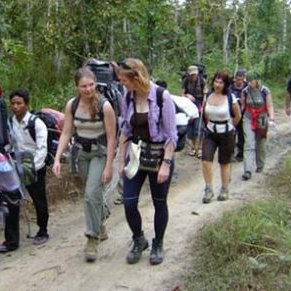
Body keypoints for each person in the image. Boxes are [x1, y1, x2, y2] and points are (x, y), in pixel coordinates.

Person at [115, 58, 177, 265]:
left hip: (159, 155)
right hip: (136, 154)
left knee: (159, 203)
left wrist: (166, 164)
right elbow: (125, 130)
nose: (122, 83)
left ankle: (158, 242)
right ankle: (138, 238)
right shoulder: (127, 97)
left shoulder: (161, 97)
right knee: (129, 201)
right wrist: (121, 161)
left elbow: (171, 135)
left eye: (124, 79)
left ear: (136, 77)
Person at [52, 67, 117, 263]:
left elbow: (112, 138)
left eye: (91, 85)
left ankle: (92, 239)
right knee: (91, 196)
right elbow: (66, 132)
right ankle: (100, 222)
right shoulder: (72, 105)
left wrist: (108, 166)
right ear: (76, 87)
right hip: (81, 153)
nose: (88, 89)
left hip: (99, 153)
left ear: (96, 84)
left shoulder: (105, 106)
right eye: (83, 86)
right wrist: (57, 158)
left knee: (90, 195)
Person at [0, 89, 50, 253]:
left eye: (19, 103)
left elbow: (42, 148)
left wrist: (33, 167)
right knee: (12, 201)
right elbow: (9, 144)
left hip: (34, 167)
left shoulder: (37, 123)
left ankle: (43, 230)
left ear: (26, 104)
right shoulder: (9, 123)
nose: (15, 107)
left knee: (38, 199)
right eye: (12, 103)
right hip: (15, 165)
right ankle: (11, 240)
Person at [201, 71, 241, 203]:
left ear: (225, 84)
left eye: (221, 82)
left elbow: (237, 115)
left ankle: (224, 189)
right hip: (210, 132)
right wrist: (210, 124)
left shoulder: (231, 98)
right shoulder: (207, 96)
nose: (217, 85)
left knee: (224, 163)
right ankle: (208, 189)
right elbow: (205, 114)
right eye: (216, 81)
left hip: (226, 133)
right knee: (206, 160)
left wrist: (230, 127)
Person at [240, 71, 275, 180]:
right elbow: (242, 106)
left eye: (251, 81)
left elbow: (269, 106)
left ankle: (260, 165)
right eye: (248, 81)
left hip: (262, 117)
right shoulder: (245, 91)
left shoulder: (265, 91)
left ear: (257, 81)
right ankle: (247, 170)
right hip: (248, 117)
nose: (249, 83)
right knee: (248, 142)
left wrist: (272, 119)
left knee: (260, 142)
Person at [182, 65, 207, 158]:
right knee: (191, 128)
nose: (194, 76)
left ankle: (200, 148)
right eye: (192, 75)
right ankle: (193, 148)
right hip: (189, 106)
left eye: (195, 74)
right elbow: (182, 94)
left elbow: (205, 94)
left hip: (199, 105)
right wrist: (187, 96)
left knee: (199, 127)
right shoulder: (186, 81)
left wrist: (203, 106)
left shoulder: (202, 81)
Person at [229, 69, 248, 162]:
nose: (239, 81)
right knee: (231, 134)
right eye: (237, 79)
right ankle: (230, 154)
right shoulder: (230, 87)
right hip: (231, 114)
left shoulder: (247, 88)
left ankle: (240, 153)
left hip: (243, 113)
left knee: (241, 134)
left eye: (241, 79)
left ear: (244, 79)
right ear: (235, 78)